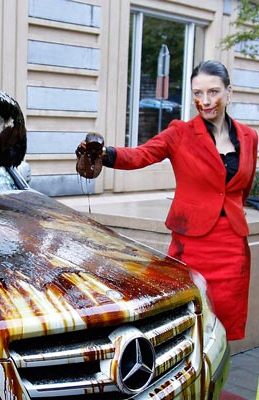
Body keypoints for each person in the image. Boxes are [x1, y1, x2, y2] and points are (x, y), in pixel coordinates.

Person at [76, 60, 258, 341]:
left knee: (222, 326)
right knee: (190, 322)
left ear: (229, 92)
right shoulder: (180, 133)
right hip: (191, 245)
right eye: (198, 93)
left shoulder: (249, 137)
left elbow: (240, 189)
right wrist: (104, 154)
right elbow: (141, 155)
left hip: (233, 245)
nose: (205, 101)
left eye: (213, 92)